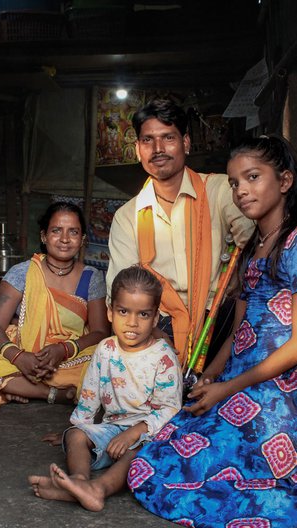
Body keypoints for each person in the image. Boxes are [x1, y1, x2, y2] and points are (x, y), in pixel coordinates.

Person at [128, 135, 297, 528]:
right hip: (239, 382)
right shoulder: (250, 251)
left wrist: (230, 387)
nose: (241, 190)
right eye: (233, 182)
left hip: (278, 393)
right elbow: (238, 334)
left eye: (252, 177)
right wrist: (210, 377)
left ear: (284, 181)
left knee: (218, 464)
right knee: (165, 446)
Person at [106, 98, 255, 365]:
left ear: (185, 143)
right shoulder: (128, 216)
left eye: (168, 138)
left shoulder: (220, 190)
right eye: (148, 140)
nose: (158, 148)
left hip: (217, 314)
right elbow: (122, 290)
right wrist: (155, 336)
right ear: (138, 149)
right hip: (158, 322)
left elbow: (256, 243)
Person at [28, 266, 182, 511]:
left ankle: (99, 489)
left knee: (139, 451)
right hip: (112, 431)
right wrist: (77, 430)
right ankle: (79, 483)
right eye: (123, 311)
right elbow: (89, 397)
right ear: (110, 312)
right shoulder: (105, 350)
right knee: (75, 436)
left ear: (155, 318)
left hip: (149, 434)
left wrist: (134, 433)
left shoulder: (162, 356)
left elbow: (171, 409)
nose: (132, 322)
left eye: (143, 315)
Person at [0, 202, 111, 411]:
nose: (64, 239)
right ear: (44, 236)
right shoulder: (23, 272)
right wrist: (19, 357)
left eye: (73, 232)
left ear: (82, 240)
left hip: (68, 359)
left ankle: (16, 386)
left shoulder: (91, 277)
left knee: (107, 362)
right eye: (56, 231)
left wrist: (63, 349)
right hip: (20, 355)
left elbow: (100, 332)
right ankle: (54, 393)